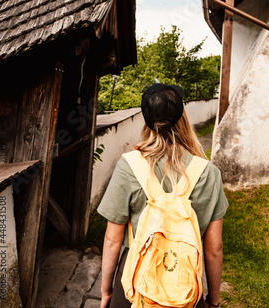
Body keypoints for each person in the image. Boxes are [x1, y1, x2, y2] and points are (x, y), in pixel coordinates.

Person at [97, 83, 228, 308]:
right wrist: (213, 301)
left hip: (133, 283)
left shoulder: (128, 166)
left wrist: (107, 290)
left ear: (147, 121)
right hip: (184, 288)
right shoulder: (209, 173)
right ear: (182, 119)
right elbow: (214, 249)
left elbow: (112, 240)